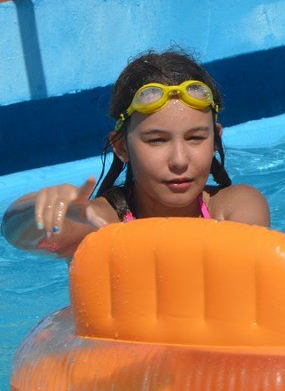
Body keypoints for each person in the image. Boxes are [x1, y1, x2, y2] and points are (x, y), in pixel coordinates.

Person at [2, 50, 270, 259]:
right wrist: (39, 207)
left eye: (196, 138)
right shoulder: (101, 223)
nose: (179, 160)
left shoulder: (234, 208)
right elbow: (18, 235)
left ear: (215, 140)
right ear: (121, 147)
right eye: (157, 140)